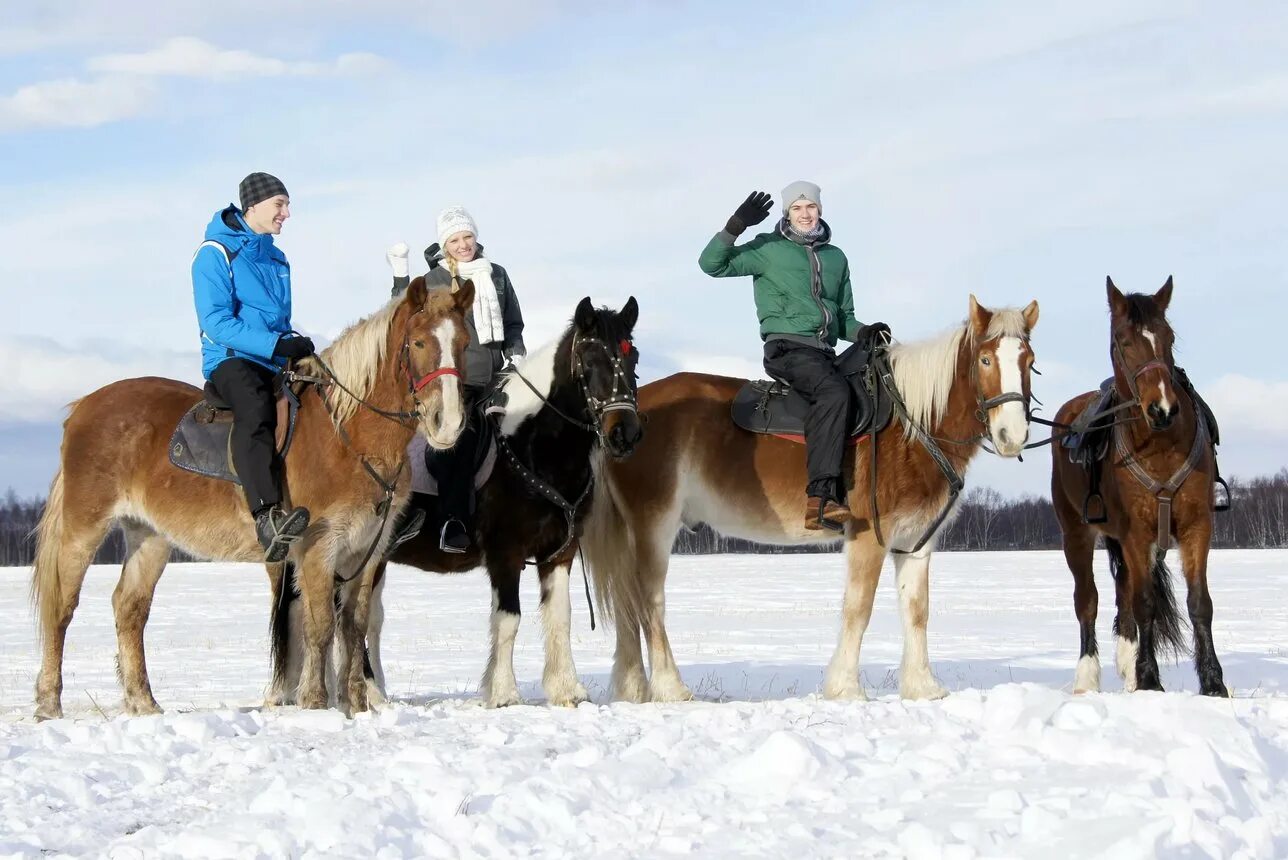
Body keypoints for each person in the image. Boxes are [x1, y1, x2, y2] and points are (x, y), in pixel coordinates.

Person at [698, 181, 864, 531]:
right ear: (787, 213)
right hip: (787, 349)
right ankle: (820, 498)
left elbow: (844, 317)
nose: (805, 214)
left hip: (825, 353)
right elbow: (711, 264)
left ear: (820, 210)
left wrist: (865, 332)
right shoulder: (768, 248)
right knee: (834, 392)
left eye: (811, 207)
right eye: (797, 208)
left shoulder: (836, 258)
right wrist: (735, 226)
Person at [387, 204, 526, 552]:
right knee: (460, 443)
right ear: (444, 245)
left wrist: (516, 351)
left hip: (499, 377)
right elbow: (402, 315)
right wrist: (401, 278)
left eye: (468, 237)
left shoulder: (497, 274)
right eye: (454, 240)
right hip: (455, 381)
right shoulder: (435, 280)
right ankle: (454, 522)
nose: (463, 245)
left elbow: (512, 322)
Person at [192, 172, 315, 561]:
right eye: (280, 204)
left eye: (287, 205)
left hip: (273, 357)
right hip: (231, 359)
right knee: (256, 409)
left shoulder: (277, 258)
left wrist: (295, 343)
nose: (287, 214)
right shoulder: (214, 252)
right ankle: (265, 515)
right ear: (253, 206)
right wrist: (276, 343)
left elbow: (277, 321)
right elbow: (215, 322)